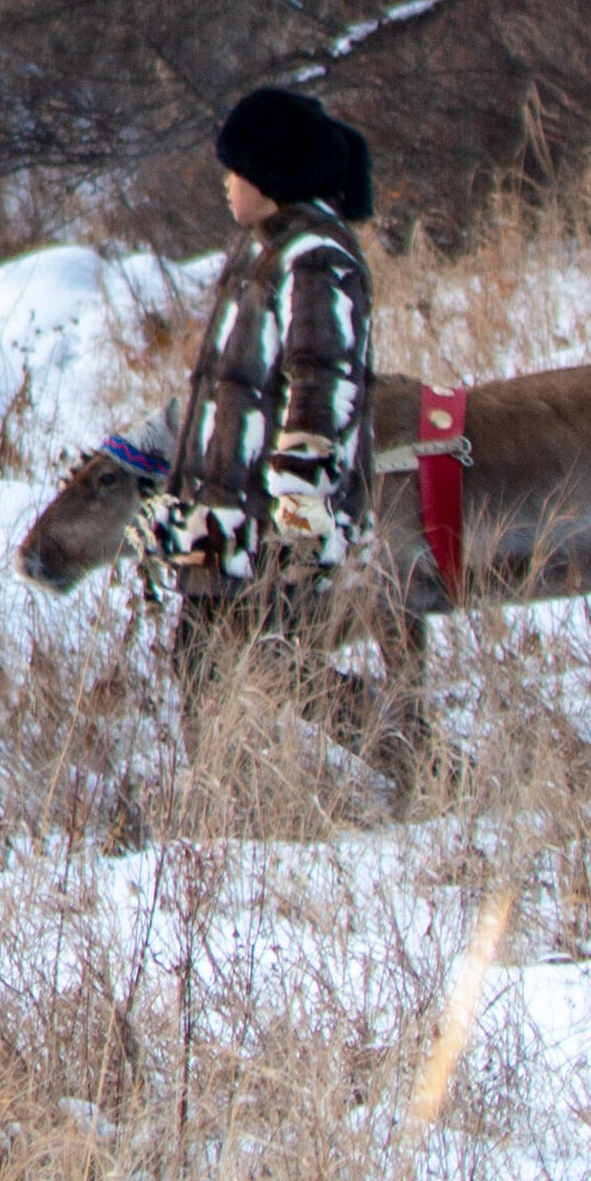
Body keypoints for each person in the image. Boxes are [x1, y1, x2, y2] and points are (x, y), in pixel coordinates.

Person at [152, 85, 403, 765]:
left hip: (271, 521)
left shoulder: (315, 257)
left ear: (271, 173)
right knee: (200, 664)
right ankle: (219, 803)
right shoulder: (262, 248)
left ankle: (423, 762)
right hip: (221, 519)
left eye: (236, 169)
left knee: (275, 664)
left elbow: (322, 389)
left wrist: (299, 520)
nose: (226, 184)